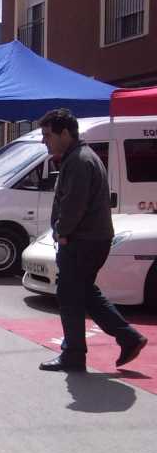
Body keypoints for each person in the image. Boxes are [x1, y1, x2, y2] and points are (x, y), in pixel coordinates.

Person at [37, 109, 147, 372]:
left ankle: (73, 355)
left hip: (82, 241)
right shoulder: (79, 157)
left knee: (70, 295)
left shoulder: (79, 161)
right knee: (83, 291)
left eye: (48, 135)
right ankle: (128, 337)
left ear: (65, 133)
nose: (45, 141)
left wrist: (62, 232)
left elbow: (74, 205)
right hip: (89, 239)